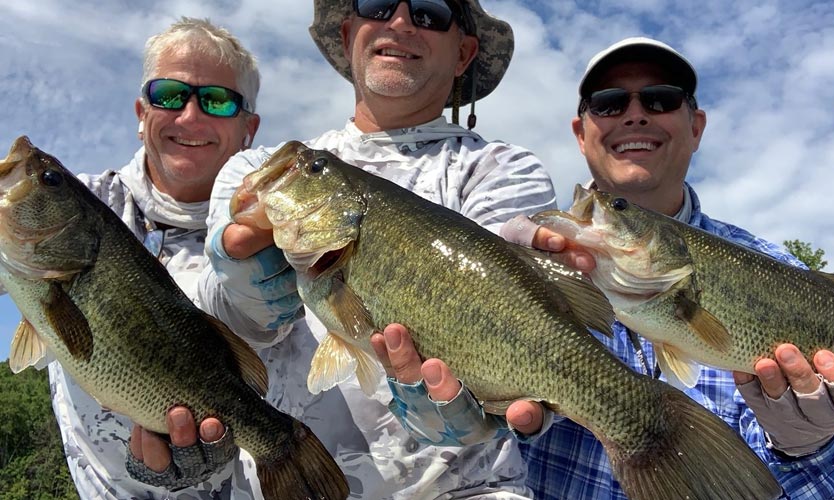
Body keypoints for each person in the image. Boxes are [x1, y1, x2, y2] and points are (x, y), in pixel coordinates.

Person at [179, 0, 555, 497]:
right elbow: (235, 332)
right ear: (350, 29)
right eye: (377, 4)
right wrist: (246, 281)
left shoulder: (501, 170)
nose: (399, 22)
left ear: (464, 52)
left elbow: (518, 326)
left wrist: (457, 412)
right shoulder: (267, 167)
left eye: (429, 11)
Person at [506, 37, 834, 499]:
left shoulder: (782, 271)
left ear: (695, 126)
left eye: (660, 99)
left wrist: (809, 446)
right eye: (609, 103)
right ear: (580, 132)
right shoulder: (522, 251)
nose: (635, 114)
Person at [43, 17, 268, 499]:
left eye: (218, 100)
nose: (190, 116)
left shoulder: (273, 233)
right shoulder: (83, 207)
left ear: (248, 129)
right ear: (142, 112)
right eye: (169, 94)